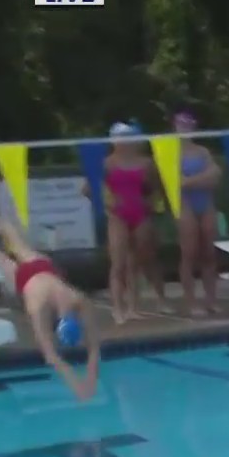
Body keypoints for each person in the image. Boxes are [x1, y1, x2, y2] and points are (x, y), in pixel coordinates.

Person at [0, 219, 100, 400]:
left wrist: (83, 381)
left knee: (2, 250)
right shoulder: (71, 301)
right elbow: (55, 355)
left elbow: (58, 354)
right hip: (36, 273)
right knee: (3, 252)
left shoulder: (67, 302)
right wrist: (81, 383)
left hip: (39, 269)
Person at [83, 122, 170, 323]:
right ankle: (118, 309)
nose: (124, 143)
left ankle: (134, 307)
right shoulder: (106, 163)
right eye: (120, 139)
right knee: (119, 264)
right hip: (118, 216)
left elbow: (157, 190)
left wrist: (149, 204)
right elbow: (87, 189)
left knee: (140, 261)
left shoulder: (146, 163)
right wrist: (107, 203)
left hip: (141, 214)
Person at [174, 112, 223, 317]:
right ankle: (191, 302)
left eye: (188, 125)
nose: (185, 129)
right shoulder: (170, 153)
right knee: (190, 253)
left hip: (206, 204)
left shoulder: (203, 151)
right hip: (185, 205)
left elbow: (216, 176)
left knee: (209, 254)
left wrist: (188, 181)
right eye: (181, 125)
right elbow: (175, 183)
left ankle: (211, 300)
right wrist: (202, 179)